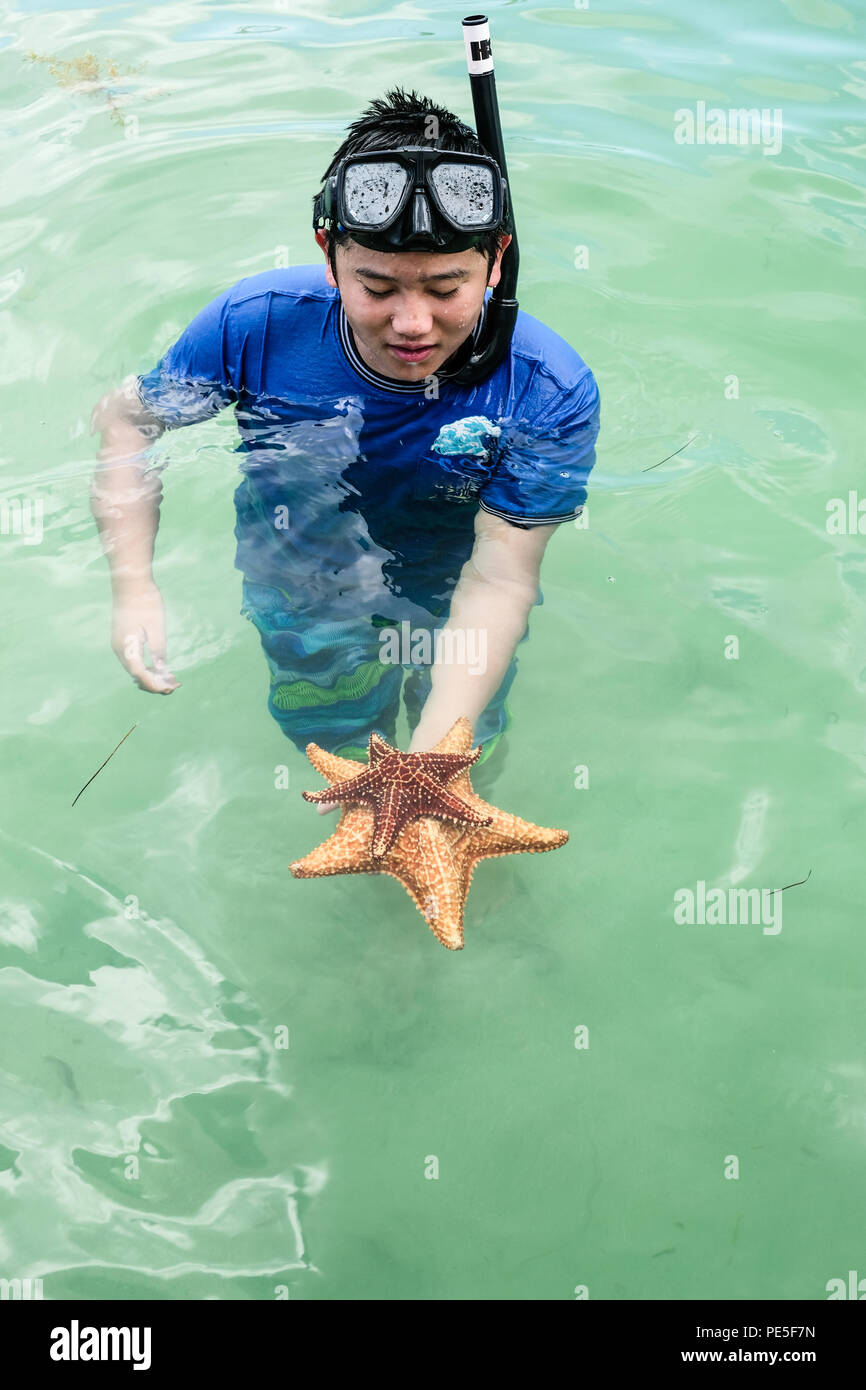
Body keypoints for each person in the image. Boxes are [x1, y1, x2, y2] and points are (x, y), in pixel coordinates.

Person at [90, 88, 601, 813]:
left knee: (460, 756)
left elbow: (501, 580)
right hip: (304, 578)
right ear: (330, 257)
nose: (413, 323)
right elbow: (125, 420)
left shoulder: (547, 389)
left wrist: (424, 768)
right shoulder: (254, 326)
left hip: (452, 585)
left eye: (447, 286)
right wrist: (133, 585)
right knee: (327, 740)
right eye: (378, 286)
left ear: (496, 262)